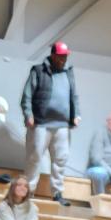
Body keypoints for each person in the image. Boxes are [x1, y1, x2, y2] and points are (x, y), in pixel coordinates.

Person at [22, 41, 80, 204]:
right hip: (41, 123)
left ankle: (57, 193)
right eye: (61, 56)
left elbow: (74, 95)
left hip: (62, 125)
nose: (63, 59)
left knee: (61, 159)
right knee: (34, 158)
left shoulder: (69, 72)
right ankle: (29, 191)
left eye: (65, 56)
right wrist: (28, 114)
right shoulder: (39, 71)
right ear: (53, 55)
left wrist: (76, 114)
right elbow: (27, 95)